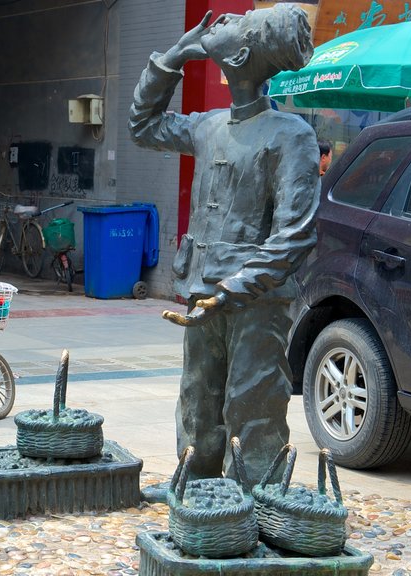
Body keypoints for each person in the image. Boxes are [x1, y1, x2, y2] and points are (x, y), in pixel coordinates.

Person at [129, 5, 320, 486]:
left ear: (239, 55)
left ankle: (255, 502)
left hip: (254, 299)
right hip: (202, 290)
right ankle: (196, 490)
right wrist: (172, 58)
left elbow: (294, 233)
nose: (219, 23)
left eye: (232, 24)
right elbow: (142, 125)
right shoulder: (208, 126)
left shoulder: (291, 135)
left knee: (252, 402)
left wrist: (234, 288)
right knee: (198, 397)